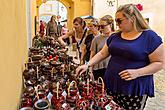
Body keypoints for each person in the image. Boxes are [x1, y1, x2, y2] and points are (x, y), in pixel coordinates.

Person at [76, 4, 164, 110]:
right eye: (116, 21)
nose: (116, 24)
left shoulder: (149, 37)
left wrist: (137, 72)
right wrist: (87, 65)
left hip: (133, 88)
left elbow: (159, 63)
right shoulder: (115, 36)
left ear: (132, 18)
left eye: (119, 20)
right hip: (111, 84)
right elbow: (102, 53)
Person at [89, 15, 114, 80]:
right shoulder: (96, 39)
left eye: (102, 26)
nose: (101, 29)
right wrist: (90, 71)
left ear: (110, 25)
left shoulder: (116, 38)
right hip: (98, 69)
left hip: (111, 69)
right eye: (99, 26)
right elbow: (92, 55)